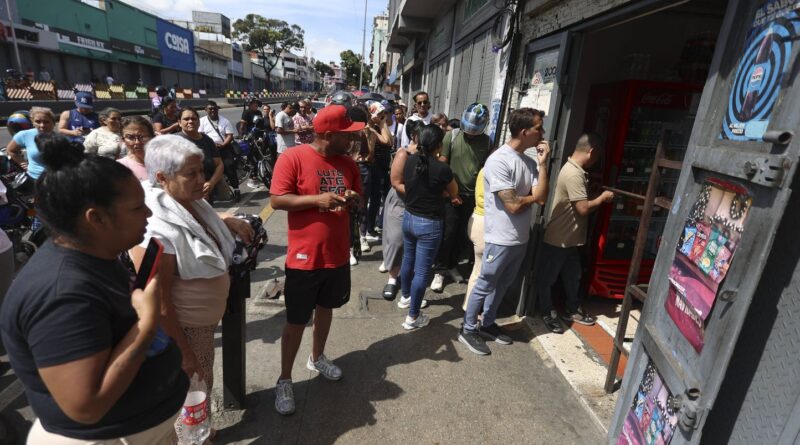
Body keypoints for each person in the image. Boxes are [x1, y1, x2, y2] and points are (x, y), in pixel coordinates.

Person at [0, 134, 188, 443]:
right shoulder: (62, 295)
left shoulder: (96, 255)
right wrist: (146, 324)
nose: (148, 214)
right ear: (96, 218)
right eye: (137, 208)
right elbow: (86, 407)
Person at [132, 135, 253, 439]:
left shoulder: (188, 202)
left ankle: (201, 431)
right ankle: (193, 438)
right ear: (162, 178)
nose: (202, 179)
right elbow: (158, 302)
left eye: (202, 171)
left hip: (202, 324)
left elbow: (198, 225)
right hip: (184, 331)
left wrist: (226, 220)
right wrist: (184, 353)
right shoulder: (156, 229)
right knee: (192, 388)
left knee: (201, 382)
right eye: (192, 174)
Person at [268, 104, 364, 416]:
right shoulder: (293, 157)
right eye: (347, 134)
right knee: (296, 320)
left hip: (336, 255)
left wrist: (353, 199)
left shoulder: (347, 163)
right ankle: (284, 379)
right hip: (304, 258)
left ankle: (317, 357)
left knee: (326, 309)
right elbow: (277, 199)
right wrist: (316, 200)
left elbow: (359, 198)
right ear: (328, 134)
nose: (352, 138)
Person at [459, 108, 551, 356]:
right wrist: (530, 198)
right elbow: (512, 205)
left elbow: (542, 198)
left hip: (519, 238)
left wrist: (543, 164)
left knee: (503, 284)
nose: (543, 133)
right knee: (485, 283)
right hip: (499, 237)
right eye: (539, 128)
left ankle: (488, 323)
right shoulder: (499, 160)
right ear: (524, 132)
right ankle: (468, 329)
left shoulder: (529, 162)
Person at [537, 133, 614, 333]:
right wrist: (602, 198)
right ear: (591, 152)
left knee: (573, 276)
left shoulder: (576, 171)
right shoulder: (574, 174)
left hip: (570, 239)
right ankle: (547, 312)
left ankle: (572, 309)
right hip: (559, 239)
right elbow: (583, 208)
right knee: (547, 280)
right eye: (597, 156)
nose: (596, 161)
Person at [399, 124, 460, 330]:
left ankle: (405, 297)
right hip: (429, 223)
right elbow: (454, 191)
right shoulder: (442, 168)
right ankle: (413, 317)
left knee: (408, 259)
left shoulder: (410, 160)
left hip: (409, 217)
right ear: (439, 145)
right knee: (422, 272)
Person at [431, 103, 492, 292]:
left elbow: (487, 168)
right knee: (448, 233)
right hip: (451, 194)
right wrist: (449, 192)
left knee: (463, 236)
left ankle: (452, 265)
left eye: (475, 131)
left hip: (473, 197)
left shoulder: (488, 142)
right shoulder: (452, 136)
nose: (470, 134)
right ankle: (440, 270)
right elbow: (443, 165)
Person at [380, 119, 423, 299]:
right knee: (396, 240)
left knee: (413, 243)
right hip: (400, 201)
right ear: (414, 135)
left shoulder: (429, 155)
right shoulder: (403, 153)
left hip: (419, 203)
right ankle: (392, 279)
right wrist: (419, 192)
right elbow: (396, 182)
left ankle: (409, 278)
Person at [358, 102, 392, 250]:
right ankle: (364, 232)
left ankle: (369, 228)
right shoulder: (369, 128)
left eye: (383, 114)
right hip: (370, 167)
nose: (382, 116)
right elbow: (387, 141)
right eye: (379, 114)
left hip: (379, 168)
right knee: (366, 201)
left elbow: (390, 141)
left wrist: (382, 123)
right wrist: (382, 124)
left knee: (376, 200)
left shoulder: (377, 127)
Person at [178, 107, 224, 202]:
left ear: (199, 122)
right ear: (179, 123)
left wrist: (211, 183)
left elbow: (219, 164)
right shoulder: (173, 141)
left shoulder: (207, 140)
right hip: (184, 195)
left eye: (193, 119)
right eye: (186, 119)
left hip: (206, 193)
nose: (190, 121)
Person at [199, 100, 240, 202]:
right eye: (210, 109)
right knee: (205, 169)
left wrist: (223, 144)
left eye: (215, 108)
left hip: (223, 148)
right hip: (209, 150)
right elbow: (200, 135)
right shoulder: (202, 121)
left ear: (218, 109)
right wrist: (210, 145)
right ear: (206, 110)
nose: (213, 110)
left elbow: (229, 135)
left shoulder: (224, 121)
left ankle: (236, 189)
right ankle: (209, 193)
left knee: (229, 166)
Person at [6, 107, 57, 180]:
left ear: (53, 123)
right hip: (34, 179)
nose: (42, 125)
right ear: (33, 122)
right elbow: (10, 150)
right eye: (38, 122)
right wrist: (22, 163)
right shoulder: (24, 135)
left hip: (56, 180)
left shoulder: (61, 139)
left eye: (46, 122)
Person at [464, 167, 486, 310]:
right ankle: (470, 310)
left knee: (479, 269)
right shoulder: (490, 170)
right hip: (483, 223)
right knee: (479, 271)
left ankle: (471, 309)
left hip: (478, 220)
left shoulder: (485, 170)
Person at [118, 116, 155, 181]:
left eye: (142, 136)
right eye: (130, 137)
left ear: (152, 137)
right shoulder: (120, 167)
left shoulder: (164, 161)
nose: (137, 142)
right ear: (123, 140)